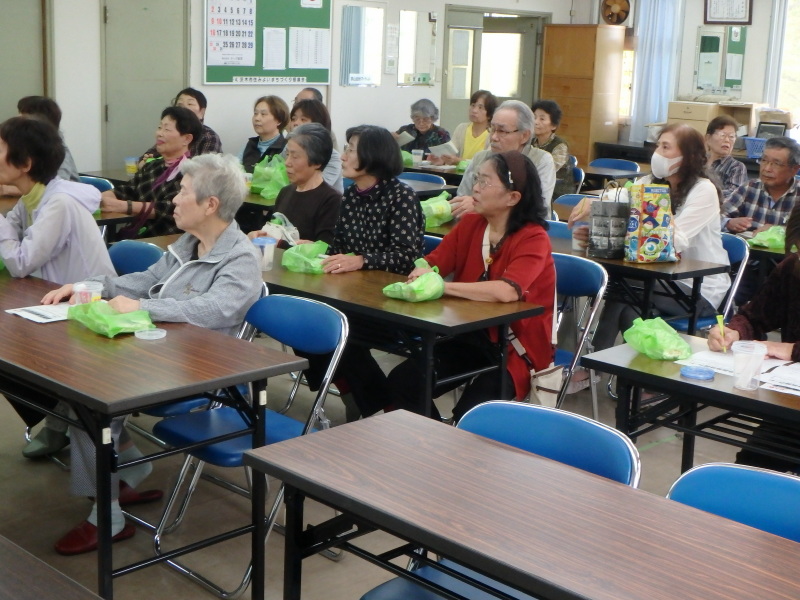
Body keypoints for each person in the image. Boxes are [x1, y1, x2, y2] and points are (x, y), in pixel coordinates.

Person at [41, 153, 263, 555]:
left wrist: (143, 308)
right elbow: (147, 280)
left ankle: (107, 517)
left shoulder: (240, 258)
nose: (174, 200)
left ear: (210, 205)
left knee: (87, 407)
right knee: (76, 387)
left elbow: (213, 311)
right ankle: (129, 472)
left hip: (201, 373)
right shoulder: (189, 243)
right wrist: (89, 285)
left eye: (183, 192)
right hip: (157, 353)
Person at [358, 151, 556, 422]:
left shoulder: (534, 237)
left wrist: (443, 288)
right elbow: (434, 261)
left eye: (485, 182)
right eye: (477, 179)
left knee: (471, 414)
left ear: (513, 197)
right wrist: (423, 270)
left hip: (515, 348)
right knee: (404, 381)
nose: (475, 187)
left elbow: (507, 291)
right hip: (470, 335)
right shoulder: (472, 224)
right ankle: (437, 444)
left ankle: (452, 448)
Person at [0, 116, 116, 456]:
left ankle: (63, 417)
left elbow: (20, 263)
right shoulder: (32, 199)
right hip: (54, 301)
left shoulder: (59, 203)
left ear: (25, 164)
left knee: (13, 351)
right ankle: (58, 419)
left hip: (90, 311)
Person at [297, 125, 424, 422]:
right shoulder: (352, 195)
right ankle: (361, 397)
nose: (343, 156)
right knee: (310, 321)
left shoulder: (401, 197)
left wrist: (362, 260)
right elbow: (339, 247)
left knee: (334, 328)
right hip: (354, 294)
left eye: (351, 149)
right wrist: (316, 249)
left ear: (372, 155)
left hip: (389, 300)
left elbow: (406, 256)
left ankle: (373, 403)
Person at [584, 124, 730, 351]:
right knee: (632, 310)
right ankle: (631, 382)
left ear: (688, 156)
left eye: (666, 147)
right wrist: (592, 202)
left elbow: (673, 242)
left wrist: (648, 220)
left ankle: (591, 364)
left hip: (698, 287)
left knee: (624, 284)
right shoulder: (652, 182)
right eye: (658, 146)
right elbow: (622, 194)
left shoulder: (704, 190)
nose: (657, 154)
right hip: (658, 280)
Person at [707, 204, 800, 472]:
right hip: (792, 404)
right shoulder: (792, 269)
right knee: (750, 467)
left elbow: (787, 349)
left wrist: (791, 350)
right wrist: (735, 330)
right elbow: (756, 315)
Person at [100, 106, 202, 238]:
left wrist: (122, 206)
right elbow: (129, 190)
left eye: (167, 129)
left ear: (187, 139)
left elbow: (168, 207)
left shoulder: (193, 171)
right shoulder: (152, 166)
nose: (160, 133)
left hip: (168, 239)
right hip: (137, 235)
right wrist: (105, 196)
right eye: (160, 127)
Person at [721, 136, 800, 304]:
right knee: (730, 297)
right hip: (749, 266)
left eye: (776, 164)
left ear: (794, 169)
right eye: (764, 161)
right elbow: (717, 216)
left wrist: (778, 230)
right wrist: (729, 222)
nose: (767, 168)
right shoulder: (750, 188)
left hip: (788, 270)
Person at [451, 100, 556, 221]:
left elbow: (536, 208)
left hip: (522, 231)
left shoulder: (541, 160)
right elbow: (461, 199)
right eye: (492, 129)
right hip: (479, 227)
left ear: (524, 136)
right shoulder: (480, 158)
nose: (494, 137)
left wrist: (481, 205)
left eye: (501, 131)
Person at [249, 123, 341, 246]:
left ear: (317, 161)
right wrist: (257, 236)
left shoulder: (332, 199)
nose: (287, 162)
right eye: (287, 155)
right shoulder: (285, 192)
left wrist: (279, 244)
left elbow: (323, 249)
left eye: (295, 156)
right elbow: (273, 228)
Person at [0, 96, 79, 196]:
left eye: (23, 115)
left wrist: (6, 189)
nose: (17, 118)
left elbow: (54, 183)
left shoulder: (51, 148)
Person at [138, 87, 222, 168]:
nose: (184, 108)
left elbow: (206, 170)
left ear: (202, 112)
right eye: (179, 104)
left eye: (190, 104)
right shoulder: (169, 134)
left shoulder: (209, 136)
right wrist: (146, 161)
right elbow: (146, 157)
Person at [287, 99, 343, 192]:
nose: (296, 123)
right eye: (293, 119)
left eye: (303, 119)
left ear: (318, 124)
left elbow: (317, 188)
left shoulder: (333, 157)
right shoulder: (289, 148)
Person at [431, 90, 497, 165]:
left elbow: (485, 162)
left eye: (480, 107)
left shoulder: (493, 134)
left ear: (489, 114)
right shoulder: (462, 128)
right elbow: (451, 153)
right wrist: (441, 159)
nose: (474, 110)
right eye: (473, 105)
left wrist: (458, 161)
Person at [531, 99, 573, 198]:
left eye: (542, 119)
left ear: (553, 125)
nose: (536, 122)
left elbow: (548, 171)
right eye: (534, 117)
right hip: (535, 188)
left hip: (556, 193)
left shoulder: (560, 145)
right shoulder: (531, 142)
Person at [240, 95, 290, 173]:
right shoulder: (250, 145)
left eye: (263, 114)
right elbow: (234, 169)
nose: (257, 118)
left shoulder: (286, 148)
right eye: (255, 113)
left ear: (279, 120)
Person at [705, 115, 747, 202]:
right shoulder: (698, 161)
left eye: (731, 136)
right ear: (708, 138)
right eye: (722, 135)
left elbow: (734, 195)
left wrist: (702, 194)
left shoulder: (737, 167)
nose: (727, 140)